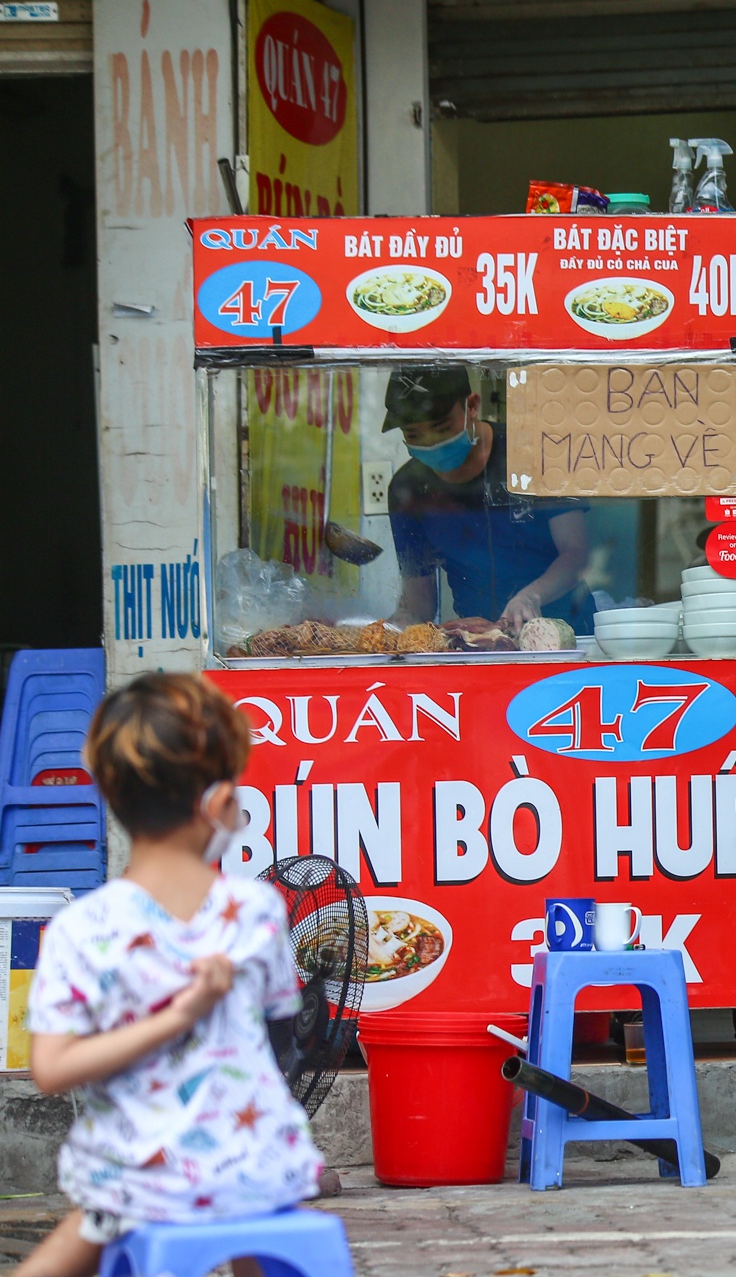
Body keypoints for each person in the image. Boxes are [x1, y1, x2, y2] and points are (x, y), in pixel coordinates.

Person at [17, 673, 326, 1277]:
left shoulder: (82, 927)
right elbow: (278, 1021)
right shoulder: (259, 910)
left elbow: (51, 1071)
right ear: (217, 805)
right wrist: (182, 1016)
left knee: (102, 1214)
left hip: (139, 1173)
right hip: (257, 1163)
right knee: (240, 1188)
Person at [385, 365, 591, 634]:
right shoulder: (407, 489)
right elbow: (419, 602)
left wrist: (530, 597)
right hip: (478, 644)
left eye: (442, 428)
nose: (430, 443)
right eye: (413, 435)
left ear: (472, 406)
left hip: (568, 632)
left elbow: (576, 553)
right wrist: (392, 630)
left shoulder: (534, 452)